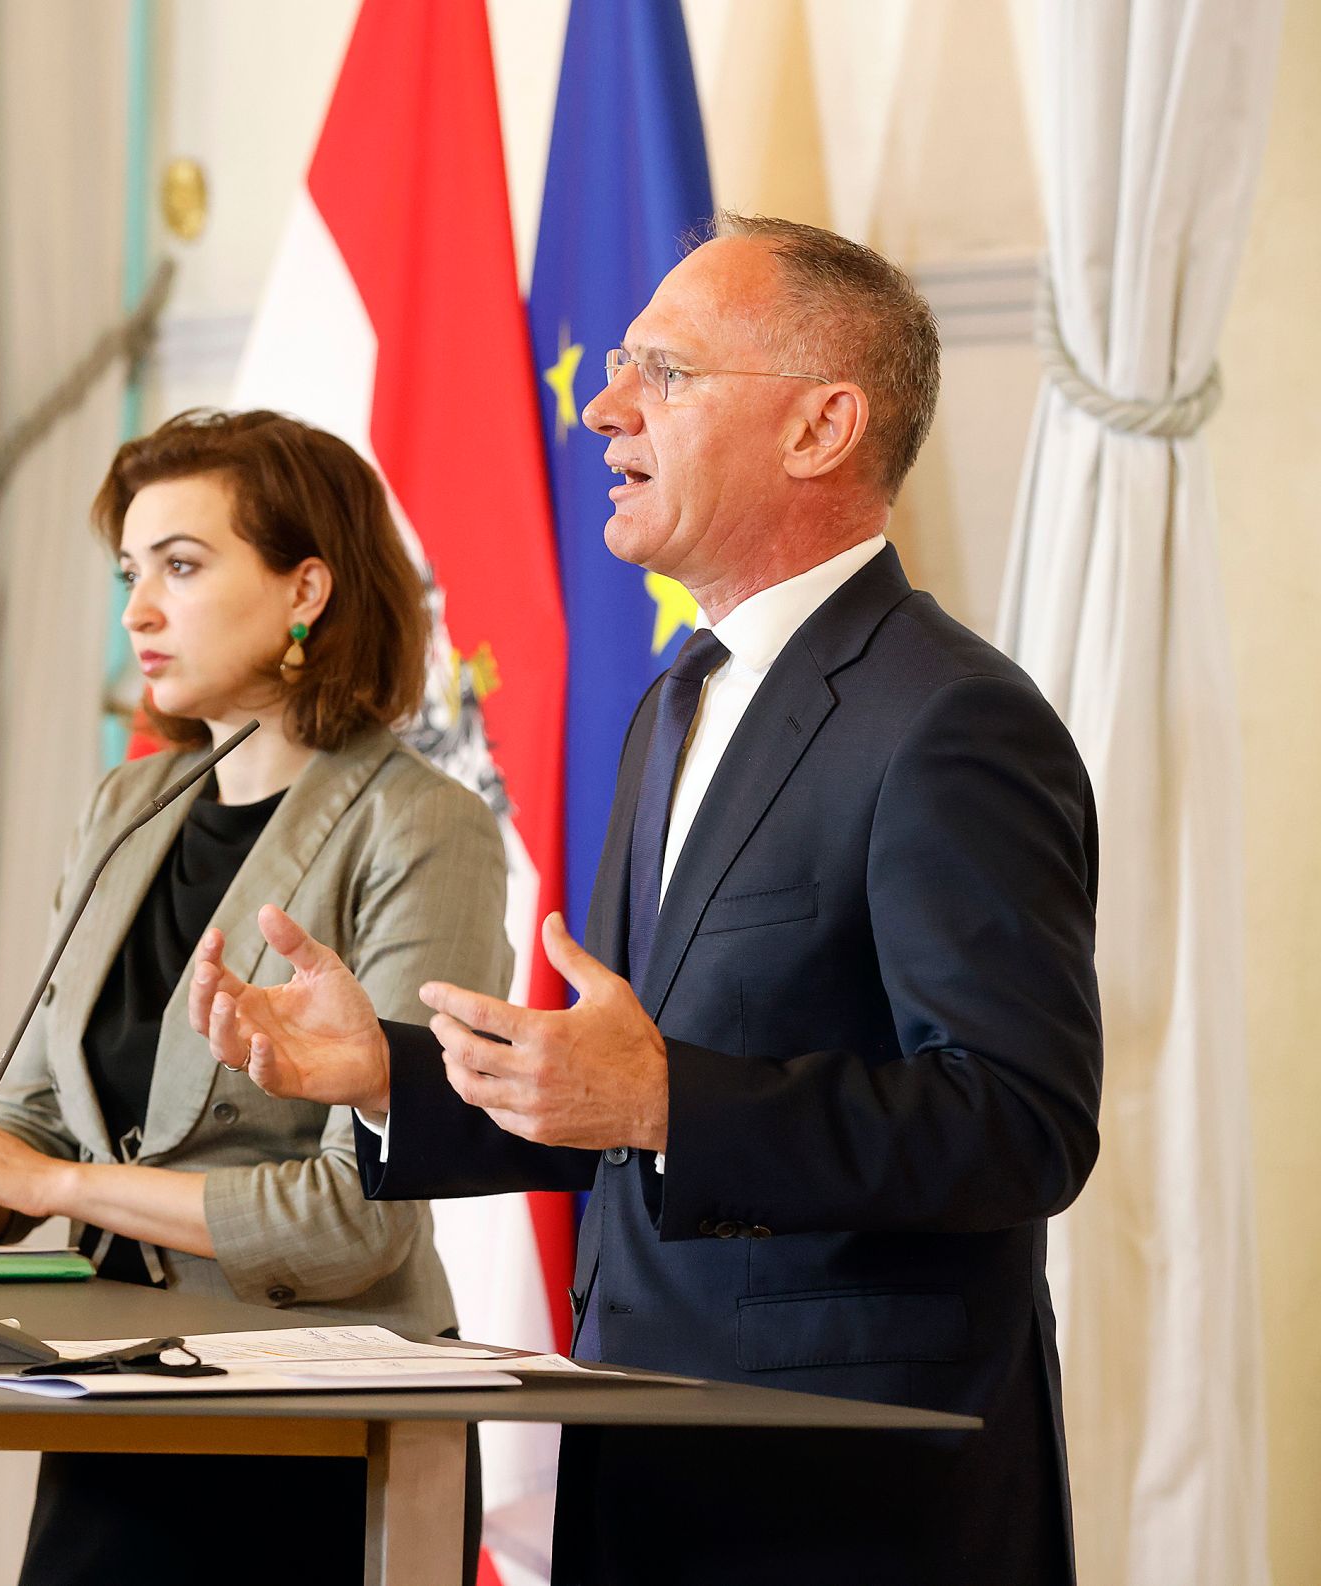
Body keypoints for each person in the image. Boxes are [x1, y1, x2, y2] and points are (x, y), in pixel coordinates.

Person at [189, 216, 1103, 1586]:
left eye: (664, 373)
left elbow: (1022, 1126)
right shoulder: (672, 704)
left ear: (820, 426)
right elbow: (612, 1085)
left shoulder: (953, 721)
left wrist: (670, 1098)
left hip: (848, 1500)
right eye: (616, 370)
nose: (604, 408)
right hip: (644, 1457)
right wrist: (394, 1077)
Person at [0, 408, 511, 1585]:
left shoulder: (423, 827)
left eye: (181, 566)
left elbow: (360, 1214)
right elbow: (52, 1104)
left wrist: (49, 1185)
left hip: (325, 1419)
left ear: (305, 585)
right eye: (129, 573)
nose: (137, 611)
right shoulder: (127, 808)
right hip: (116, 1390)